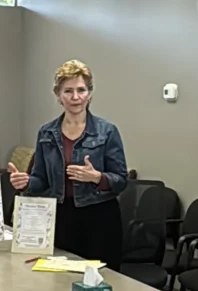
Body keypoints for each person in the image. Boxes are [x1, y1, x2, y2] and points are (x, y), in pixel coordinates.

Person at [8, 60, 128, 270]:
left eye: (81, 90)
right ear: (58, 96)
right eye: (68, 91)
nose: (75, 97)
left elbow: (121, 179)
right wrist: (25, 182)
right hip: (61, 218)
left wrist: (97, 178)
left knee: (100, 281)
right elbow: (41, 180)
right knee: (60, 280)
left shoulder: (107, 131)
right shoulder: (46, 133)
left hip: (100, 218)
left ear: (89, 93)